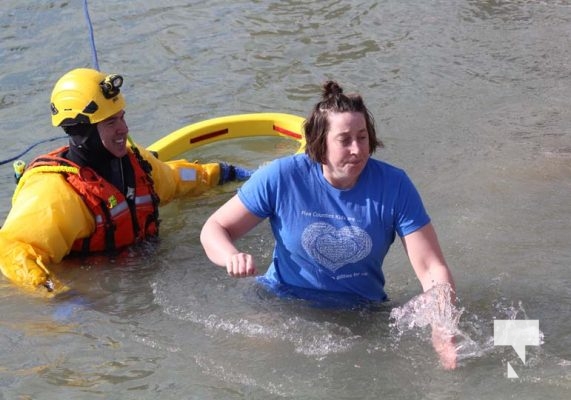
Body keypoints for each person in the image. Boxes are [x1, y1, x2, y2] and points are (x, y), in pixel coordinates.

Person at [200, 80, 458, 369]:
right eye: (344, 139)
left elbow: (432, 268)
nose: (358, 149)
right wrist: (230, 256)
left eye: (362, 137)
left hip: (360, 313)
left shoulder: (395, 186)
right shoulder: (281, 177)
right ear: (320, 142)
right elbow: (215, 228)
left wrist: (442, 328)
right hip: (281, 303)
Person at [0, 67, 252, 294]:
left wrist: (224, 173)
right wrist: (60, 297)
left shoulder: (136, 162)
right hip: (103, 293)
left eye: (122, 117)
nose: (124, 129)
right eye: (111, 122)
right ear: (80, 130)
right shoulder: (53, 193)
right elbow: (13, 252)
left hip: (150, 275)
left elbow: (176, 179)